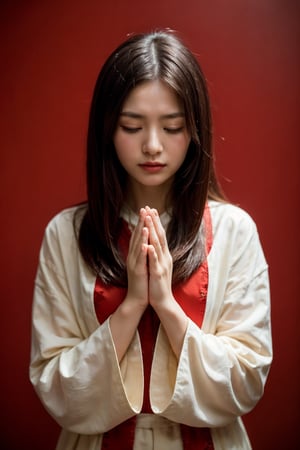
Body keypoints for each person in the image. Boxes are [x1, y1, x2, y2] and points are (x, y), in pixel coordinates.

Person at [29, 30, 272, 450]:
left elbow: (246, 380)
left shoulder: (235, 231)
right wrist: (132, 306)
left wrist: (165, 304)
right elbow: (54, 384)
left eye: (172, 126)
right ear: (107, 129)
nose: (153, 146)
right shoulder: (67, 234)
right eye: (132, 126)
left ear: (195, 130)